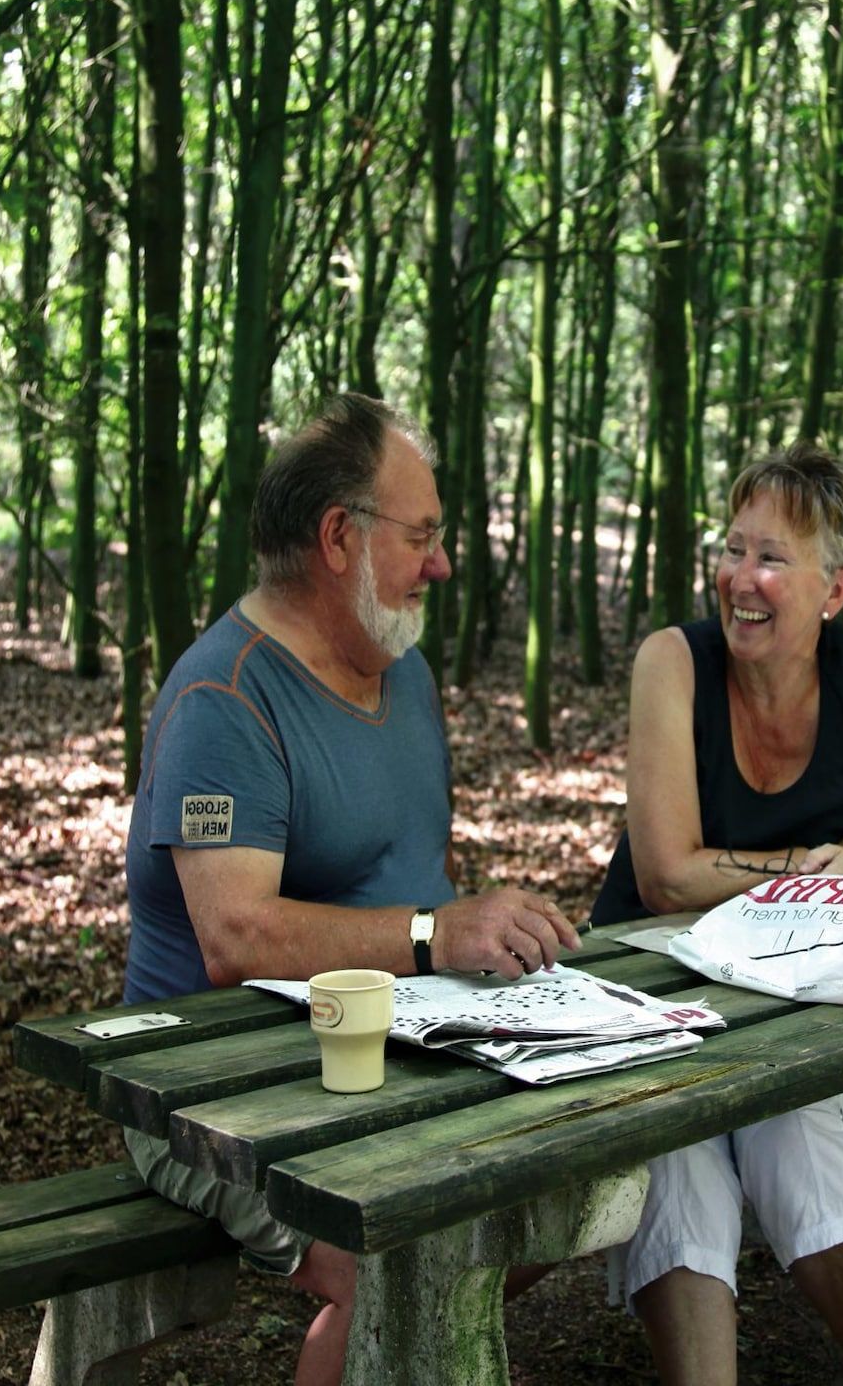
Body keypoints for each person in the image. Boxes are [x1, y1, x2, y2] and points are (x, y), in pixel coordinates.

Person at [121, 392, 581, 1386]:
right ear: (338, 536)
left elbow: (409, 886)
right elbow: (234, 940)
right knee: (407, 1266)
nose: (442, 563)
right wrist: (435, 933)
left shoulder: (401, 673)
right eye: (422, 535)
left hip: (393, 1054)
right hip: (216, 1096)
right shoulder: (224, 699)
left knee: (581, 1174)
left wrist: (489, 945)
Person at [592, 441, 843, 1386]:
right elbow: (667, 876)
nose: (740, 579)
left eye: (772, 559)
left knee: (797, 1128)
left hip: (796, 998)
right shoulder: (672, 662)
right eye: (733, 549)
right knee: (676, 1150)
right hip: (648, 995)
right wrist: (823, 865)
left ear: (832, 592)